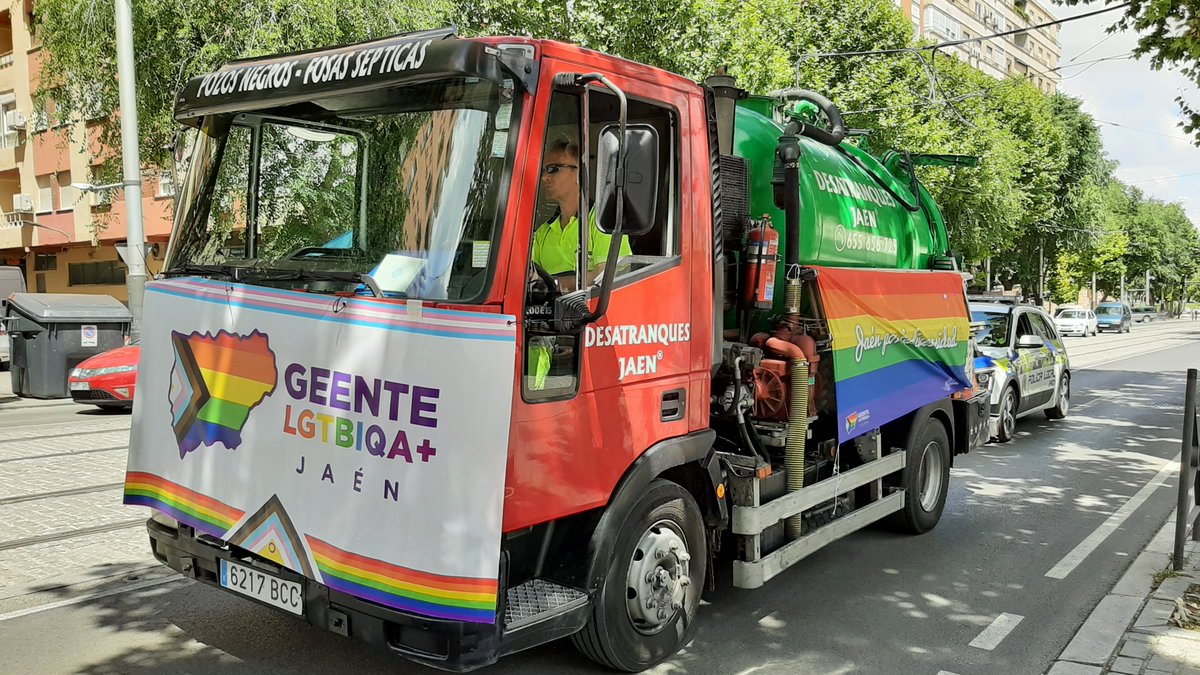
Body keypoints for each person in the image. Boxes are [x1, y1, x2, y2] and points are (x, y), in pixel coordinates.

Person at [529, 138, 632, 288]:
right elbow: (529, 279)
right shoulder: (542, 233)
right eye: (542, 171)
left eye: (553, 169)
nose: (544, 177)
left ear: (580, 173)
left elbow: (605, 278)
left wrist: (553, 284)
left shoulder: (603, 221)